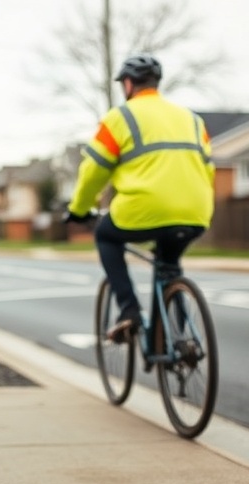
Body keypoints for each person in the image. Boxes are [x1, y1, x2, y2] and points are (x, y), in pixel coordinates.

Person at [65, 55, 215, 342]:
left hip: (144, 210)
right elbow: (208, 170)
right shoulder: (193, 120)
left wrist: (79, 209)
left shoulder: (119, 117)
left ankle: (129, 310)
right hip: (196, 212)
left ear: (129, 84)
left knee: (106, 236)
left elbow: (93, 170)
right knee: (169, 265)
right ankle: (178, 341)